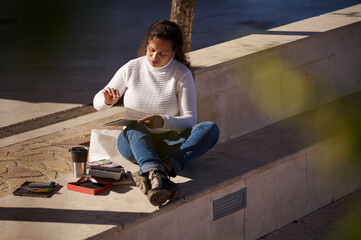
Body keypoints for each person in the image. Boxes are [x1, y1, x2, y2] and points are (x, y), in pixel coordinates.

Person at [93, 20, 219, 206]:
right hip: (135, 143)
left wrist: (163, 121)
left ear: (174, 52)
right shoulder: (132, 68)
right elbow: (97, 103)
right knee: (134, 127)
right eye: (151, 49)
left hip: (170, 142)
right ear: (146, 44)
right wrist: (107, 101)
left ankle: (156, 172)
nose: (154, 56)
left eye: (162, 53)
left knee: (210, 129)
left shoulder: (181, 75)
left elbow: (190, 120)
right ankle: (160, 172)